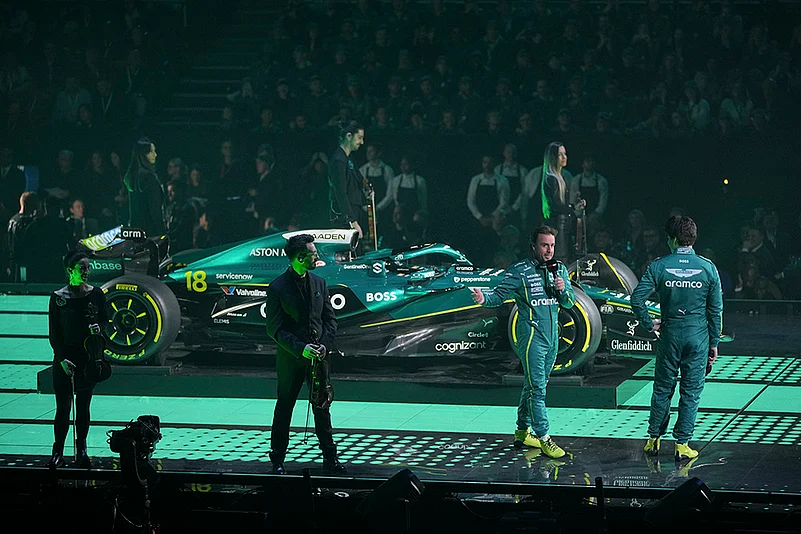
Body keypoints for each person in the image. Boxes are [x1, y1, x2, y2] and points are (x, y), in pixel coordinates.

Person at [470, 226, 576, 459]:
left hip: (552, 338)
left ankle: (521, 431)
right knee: (537, 389)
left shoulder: (559, 269)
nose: (549, 250)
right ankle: (544, 438)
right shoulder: (520, 271)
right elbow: (498, 296)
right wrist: (483, 298)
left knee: (533, 385)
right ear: (533, 246)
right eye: (544, 245)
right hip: (531, 338)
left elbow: (569, 303)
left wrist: (563, 290)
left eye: (552, 245)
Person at [632, 216, 723, 461]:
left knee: (662, 388)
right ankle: (682, 444)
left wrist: (649, 323)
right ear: (693, 238)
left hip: (669, 334)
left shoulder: (659, 265)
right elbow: (715, 310)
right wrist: (714, 342)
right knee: (691, 392)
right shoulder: (708, 267)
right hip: (698, 337)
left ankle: (653, 440)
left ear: (672, 239)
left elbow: (637, 299)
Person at [265, 234, 345, 475]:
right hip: (291, 360)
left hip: (319, 358)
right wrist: (301, 348)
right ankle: (278, 459)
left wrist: (324, 345)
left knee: (322, 406)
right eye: (313, 253)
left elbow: (330, 320)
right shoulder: (277, 287)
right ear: (300, 258)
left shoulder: (319, 283)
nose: (317, 257)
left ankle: (330, 458)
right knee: (285, 407)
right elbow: (274, 329)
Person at [46, 250, 108, 469]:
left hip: (87, 358)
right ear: (70, 270)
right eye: (82, 268)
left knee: (83, 407)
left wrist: (100, 328)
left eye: (88, 268)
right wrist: (62, 359)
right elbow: (54, 334)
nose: (86, 272)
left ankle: (82, 449)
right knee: (63, 408)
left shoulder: (96, 294)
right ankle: (58, 451)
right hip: (64, 359)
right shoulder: (58, 298)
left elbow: (106, 320)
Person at [538, 142, 585, 261]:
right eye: (560, 155)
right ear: (553, 157)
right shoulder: (552, 179)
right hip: (557, 226)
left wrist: (574, 204)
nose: (564, 157)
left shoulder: (560, 177)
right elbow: (557, 206)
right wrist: (573, 207)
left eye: (565, 154)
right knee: (560, 258)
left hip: (563, 225)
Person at [328, 120, 367, 238]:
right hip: (345, 219)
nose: (362, 142)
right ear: (349, 136)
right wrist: (353, 222)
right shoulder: (338, 161)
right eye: (359, 138)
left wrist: (366, 187)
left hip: (354, 211)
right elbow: (341, 193)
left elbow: (360, 179)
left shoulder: (349, 158)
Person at [123, 137, 165, 237]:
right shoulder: (149, 179)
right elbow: (155, 210)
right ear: (143, 155)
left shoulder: (133, 178)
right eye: (151, 152)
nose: (155, 155)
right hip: (151, 233)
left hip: (136, 233)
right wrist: (162, 233)